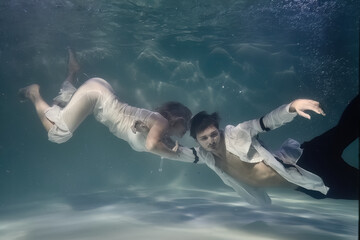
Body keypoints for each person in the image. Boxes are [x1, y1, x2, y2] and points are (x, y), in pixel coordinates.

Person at [19, 48, 197, 161]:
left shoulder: (157, 125)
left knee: (63, 102)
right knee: (59, 133)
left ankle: (73, 71)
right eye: (186, 126)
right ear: (178, 118)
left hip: (99, 93)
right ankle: (33, 93)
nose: (185, 133)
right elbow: (151, 146)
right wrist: (173, 154)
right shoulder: (161, 122)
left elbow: (154, 141)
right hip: (97, 96)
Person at [189, 97, 359, 205]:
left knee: (348, 127)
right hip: (308, 185)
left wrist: (291, 107)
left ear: (219, 130)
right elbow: (173, 152)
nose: (211, 141)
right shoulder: (206, 157)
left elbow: (265, 122)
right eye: (204, 138)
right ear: (197, 141)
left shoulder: (237, 134)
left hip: (307, 159)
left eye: (213, 134)